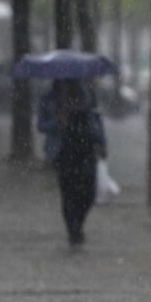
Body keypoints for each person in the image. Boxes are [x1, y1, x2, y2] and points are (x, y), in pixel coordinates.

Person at [40, 79, 107, 245]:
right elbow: (41, 125)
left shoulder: (88, 93)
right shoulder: (50, 97)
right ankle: (73, 229)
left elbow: (97, 120)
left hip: (87, 149)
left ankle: (78, 223)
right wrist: (58, 121)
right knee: (69, 193)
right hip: (63, 151)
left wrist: (102, 143)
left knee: (88, 194)